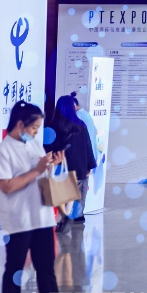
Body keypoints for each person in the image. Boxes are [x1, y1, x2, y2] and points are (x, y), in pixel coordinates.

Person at [0, 101, 71, 293]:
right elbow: (7, 186)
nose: (36, 132)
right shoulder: (2, 151)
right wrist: (36, 170)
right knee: (14, 269)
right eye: (34, 127)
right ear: (20, 124)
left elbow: (41, 177)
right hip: (19, 220)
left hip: (42, 218)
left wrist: (51, 166)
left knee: (46, 269)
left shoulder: (35, 145)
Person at [45, 94, 97, 228]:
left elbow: (47, 149)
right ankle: (77, 216)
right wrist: (90, 165)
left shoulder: (51, 127)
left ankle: (62, 219)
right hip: (79, 168)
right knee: (79, 194)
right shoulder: (81, 126)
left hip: (60, 167)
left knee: (62, 196)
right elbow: (87, 147)